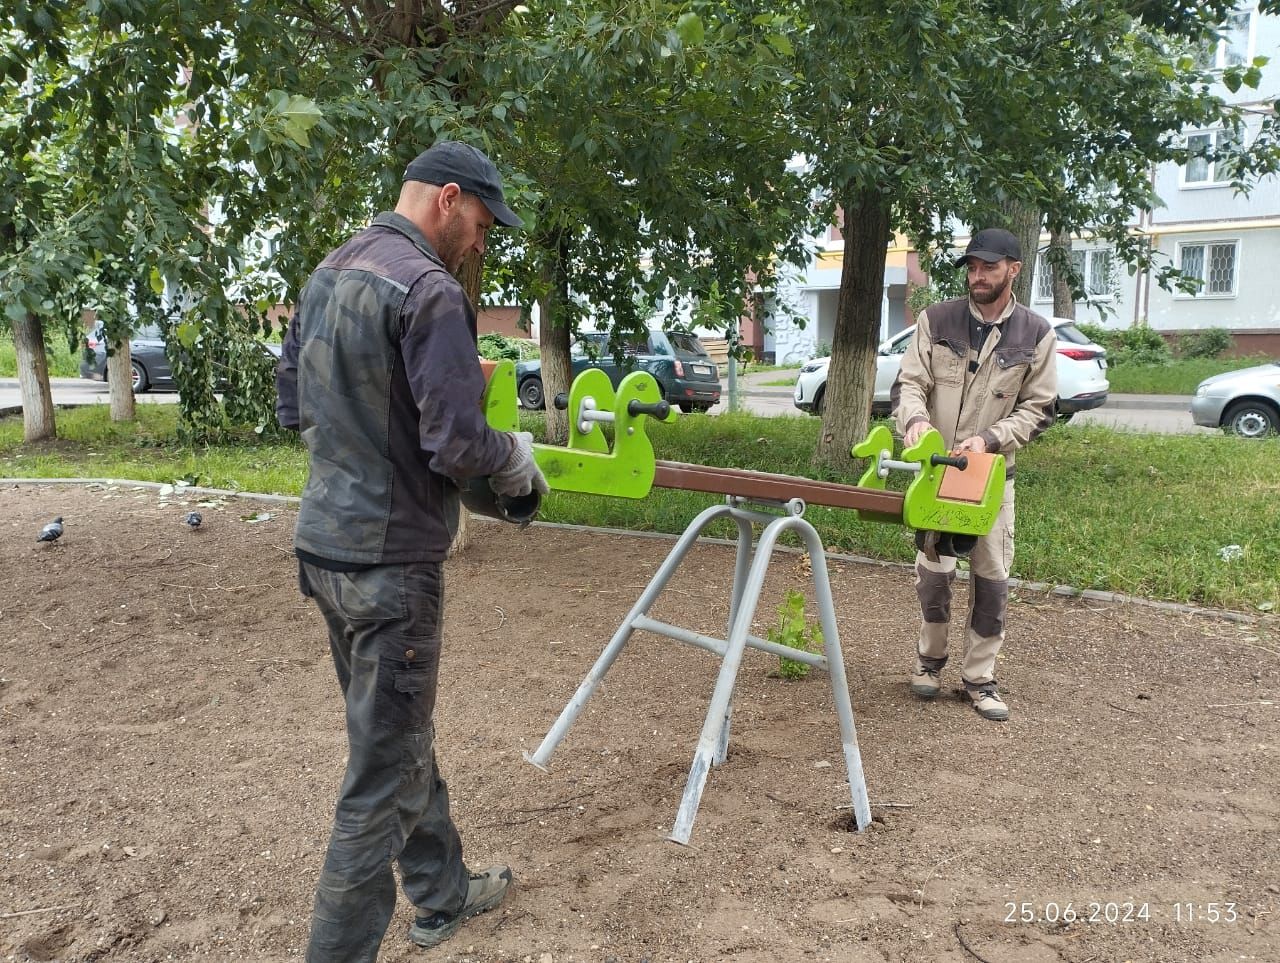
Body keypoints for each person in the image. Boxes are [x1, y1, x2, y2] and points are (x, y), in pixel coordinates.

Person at [275, 140, 548, 961]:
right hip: (391, 569)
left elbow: (294, 409)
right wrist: (516, 458)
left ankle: (441, 890)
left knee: (395, 737)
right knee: (382, 778)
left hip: (325, 551)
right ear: (448, 198)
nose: (480, 242)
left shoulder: (327, 274)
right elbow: (459, 443)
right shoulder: (429, 290)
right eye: (480, 224)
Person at [890, 227, 1057, 722]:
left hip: (990, 479)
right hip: (936, 474)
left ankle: (979, 678)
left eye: (988, 267)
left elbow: (1040, 408)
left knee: (991, 579)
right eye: (972, 267)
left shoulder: (1035, 333)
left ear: (1014, 270)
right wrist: (916, 422)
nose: (977, 276)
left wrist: (989, 439)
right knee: (934, 573)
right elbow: (909, 384)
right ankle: (928, 662)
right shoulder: (936, 318)